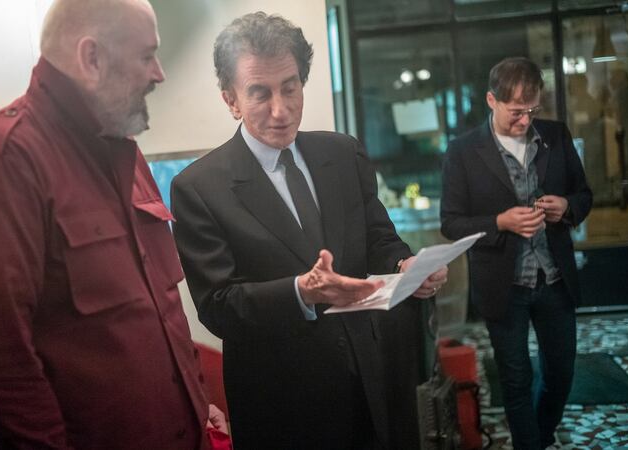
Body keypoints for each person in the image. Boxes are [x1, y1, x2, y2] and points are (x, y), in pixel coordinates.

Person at [0, 0, 226, 448]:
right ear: (92, 58)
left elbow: (156, 314)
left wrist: (197, 404)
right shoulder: (5, 163)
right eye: (146, 55)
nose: (159, 73)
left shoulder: (122, 150)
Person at [170, 12, 447, 450]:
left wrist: (406, 264)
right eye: (259, 93)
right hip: (282, 399)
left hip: (372, 376)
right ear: (231, 100)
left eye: (291, 87)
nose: (281, 110)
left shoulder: (341, 152)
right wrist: (302, 291)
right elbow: (218, 306)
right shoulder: (199, 188)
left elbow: (379, 238)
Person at [440, 57, 592, 450]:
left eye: (532, 111)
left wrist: (567, 207)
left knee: (561, 375)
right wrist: (500, 222)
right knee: (515, 379)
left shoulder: (556, 135)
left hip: (555, 279)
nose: (525, 121)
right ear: (492, 100)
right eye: (516, 112)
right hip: (503, 285)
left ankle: (535, 440)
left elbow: (585, 194)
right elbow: (451, 223)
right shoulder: (462, 151)